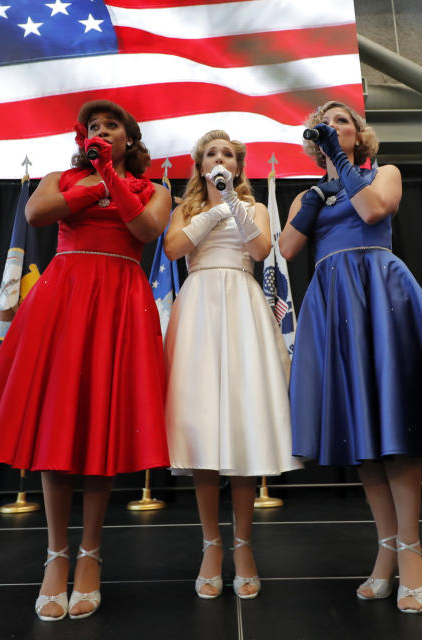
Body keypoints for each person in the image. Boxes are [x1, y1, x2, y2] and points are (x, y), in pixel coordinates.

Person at [279, 101, 422, 614]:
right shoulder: (306, 194)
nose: (333, 127)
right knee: (363, 431)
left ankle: (410, 550)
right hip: (334, 301)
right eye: (325, 124)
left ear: (359, 134)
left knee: (396, 427)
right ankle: (386, 549)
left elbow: (373, 211)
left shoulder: (384, 173)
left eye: (342, 120)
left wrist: (340, 165)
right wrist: (317, 197)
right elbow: (289, 247)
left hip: (380, 293)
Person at [0, 100, 172, 621]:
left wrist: (107, 180)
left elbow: (145, 231)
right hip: (65, 295)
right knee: (58, 425)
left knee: (100, 427)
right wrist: (95, 181)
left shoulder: (155, 189)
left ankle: (91, 553)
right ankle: (56, 554)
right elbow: (36, 214)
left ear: (130, 139)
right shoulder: (59, 177)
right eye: (92, 127)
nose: (100, 131)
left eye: (110, 126)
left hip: (120, 296)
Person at [162, 130, 302, 600]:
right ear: (199, 164)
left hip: (242, 304)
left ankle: (243, 546)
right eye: (210, 154)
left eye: (227, 155)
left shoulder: (256, 207)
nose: (219, 159)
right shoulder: (185, 208)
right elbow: (174, 250)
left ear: (237, 167)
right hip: (200, 306)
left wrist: (230, 202)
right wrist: (216, 207)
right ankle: (211, 545)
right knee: (202, 425)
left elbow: (261, 251)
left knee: (241, 429)